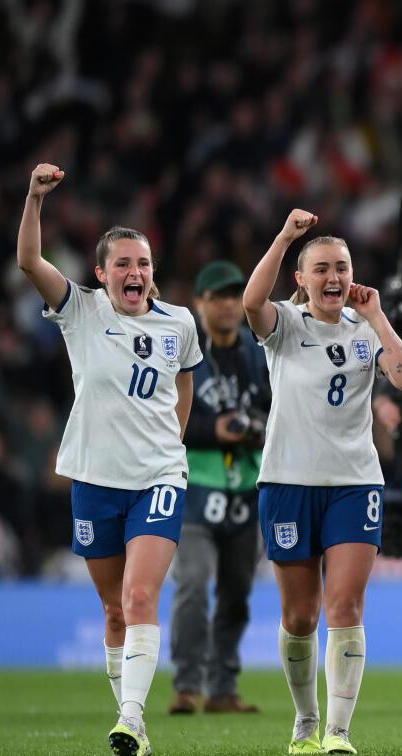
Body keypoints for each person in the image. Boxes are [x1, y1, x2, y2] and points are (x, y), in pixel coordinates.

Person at [17, 163, 202, 756]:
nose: (135, 272)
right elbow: (29, 263)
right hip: (94, 477)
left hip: (158, 480)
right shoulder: (83, 311)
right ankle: (135, 726)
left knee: (141, 597)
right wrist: (34, 201)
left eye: (143, 263)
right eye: (122, 263)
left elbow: (184, 385)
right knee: (113, 609)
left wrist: (172, 441)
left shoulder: (178, 323)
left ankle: (129, 717)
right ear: (101, 273)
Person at [243, 209, 402, 756]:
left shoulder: (365, 331)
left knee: (346, 607)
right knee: (300, 616)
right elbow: (251, 304)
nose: (333, 278)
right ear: (301, 280)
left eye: (341, 267)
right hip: (288, 481)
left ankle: (339, 730)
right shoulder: (285, 326)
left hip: (354, 483)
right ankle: (305, 719)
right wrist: (283, 237)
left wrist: (378, 317)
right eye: (320, 269)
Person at [169, 260, 269, 716]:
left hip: (246, 489)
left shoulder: (258, 350)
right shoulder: (184, 353)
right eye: (219, 297)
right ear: (199, 304)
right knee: (191, 584)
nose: (230, 305)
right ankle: (187, 686)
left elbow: (278, 408)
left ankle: (223, 689)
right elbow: (166, 420)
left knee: (237, 591)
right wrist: (216, 430)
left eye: (235, 296)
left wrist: (258, 428)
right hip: (195, 488)